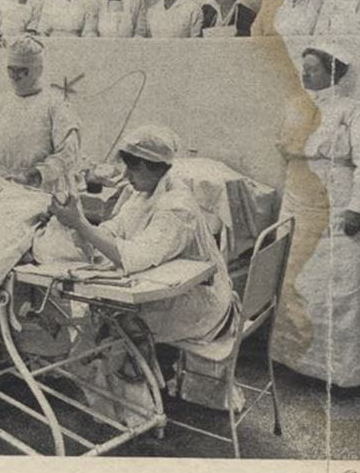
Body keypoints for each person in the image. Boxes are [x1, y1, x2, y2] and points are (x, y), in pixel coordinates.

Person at [270, 45, 360, 387]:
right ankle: (298, 362)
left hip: (340, 202)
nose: (305, 75)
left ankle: (342, 372)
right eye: (304, 69)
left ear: (333, 72)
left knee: (341, 289)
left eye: (313, 69)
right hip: (301, 200)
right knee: (301, 283)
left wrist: (357, 207)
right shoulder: (295, 107)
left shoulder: (352, 111)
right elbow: (287, 153)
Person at [44, 124, 234, 344]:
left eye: (133, 169)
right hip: (170, 292)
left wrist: (80, 224)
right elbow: (115, 229)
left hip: (200, 305)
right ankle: (102, 371)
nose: (125, 175)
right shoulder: (142, 193)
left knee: (108, 323)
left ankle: (105, 373)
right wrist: (77, 224)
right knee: (101, 315)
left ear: (154, 166)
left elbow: (136, 257)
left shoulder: (177, 206)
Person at [0, 35, 81, 201]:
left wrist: (34, 174)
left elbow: (67, 154)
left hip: (46, 192)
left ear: (38, 70)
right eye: (11, 70)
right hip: (6, 190)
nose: (15, 76)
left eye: (23, 71)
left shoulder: (56, 104)